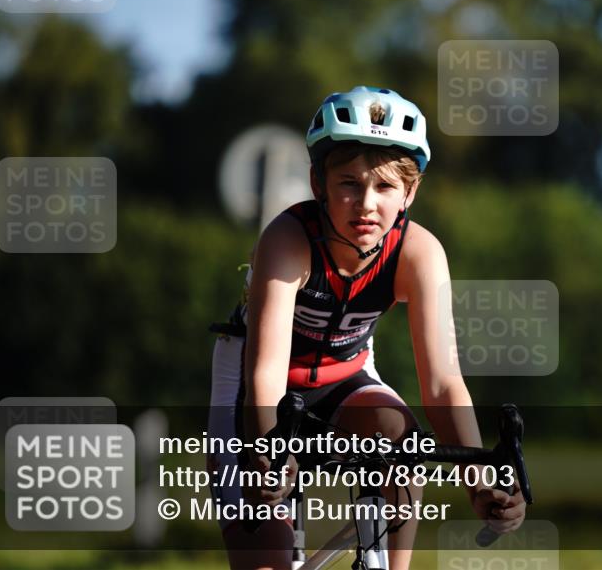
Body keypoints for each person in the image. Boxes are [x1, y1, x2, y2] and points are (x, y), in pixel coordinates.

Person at [207, 86, 526, 570]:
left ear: (410, 192)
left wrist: (481, 481)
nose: (365, 204)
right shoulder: (287, 239)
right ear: (318, 184)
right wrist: (266, 456)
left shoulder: (419, 254)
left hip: (345, 375)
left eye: (384, 187)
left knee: (400, 440)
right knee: (267, 554)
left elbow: (442, 383)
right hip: (255, 386)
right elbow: (265, 376)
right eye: (348, 184)